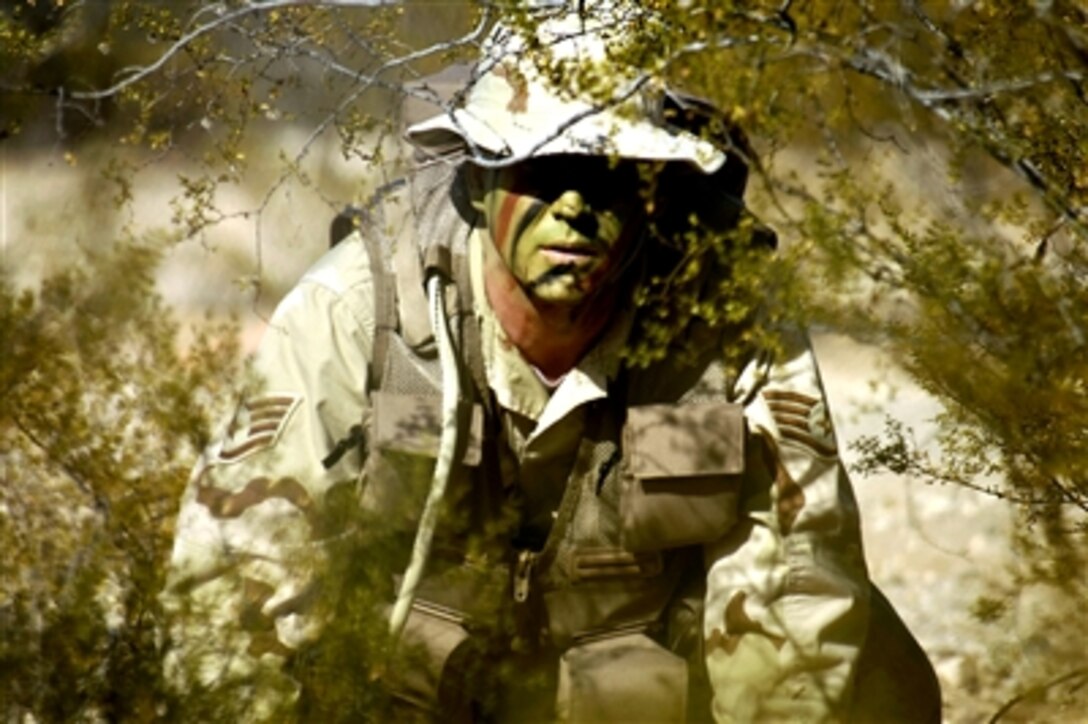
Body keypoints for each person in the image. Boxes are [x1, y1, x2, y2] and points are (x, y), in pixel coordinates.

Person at [162, 6, 940, 722]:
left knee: (880, 675)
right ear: (480, 173)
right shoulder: (357, 312)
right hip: (409, 687)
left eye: (607, 171)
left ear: (657, 192)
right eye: (542, 166)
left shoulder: (723, 318)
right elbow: (235, 588)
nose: (574, 204)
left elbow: (795, 582)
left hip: (642, 689)